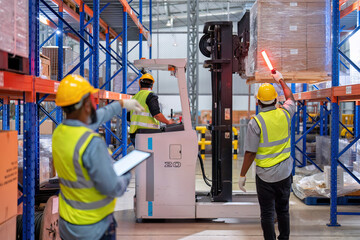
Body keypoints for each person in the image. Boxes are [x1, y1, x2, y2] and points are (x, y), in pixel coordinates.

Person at [52, 74, 144, 240]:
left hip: (67, 224)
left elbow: (93, 120)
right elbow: (113, 188)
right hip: (93, 227)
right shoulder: (91, 143)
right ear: (86, 105)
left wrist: (120, 105)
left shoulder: (59, 133)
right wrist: (127, 172)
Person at [238, 71, 295, 240]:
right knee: (283, 210)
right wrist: (281, 80)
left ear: (258, 101)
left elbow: (250, 152)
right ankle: (284, 238)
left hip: (265, 177)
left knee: (267, 214)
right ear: (276, 99)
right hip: (285, 173)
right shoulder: (286, 114)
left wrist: (242, 175)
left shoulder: (255, 122)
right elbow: (291, 98)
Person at [128, 73, 174, 146]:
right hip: (147, 135)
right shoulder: (151, 96)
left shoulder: (133, 98)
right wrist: (168, 122)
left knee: (141, 156)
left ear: (140, 84)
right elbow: (157, 115)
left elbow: (128, 117)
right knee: (151, 156)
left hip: (134, 135)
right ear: (152, 86)